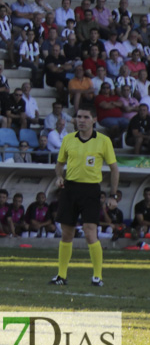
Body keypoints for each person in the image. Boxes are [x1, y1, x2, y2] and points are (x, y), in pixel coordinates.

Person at [50, 107, 118, 287]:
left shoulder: (103, 141)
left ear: (94, 119)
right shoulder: (68, 139)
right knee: (67, 234)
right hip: (70, 189)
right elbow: (59, 165)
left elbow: (114, 169)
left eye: (86, 117)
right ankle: (61, 276)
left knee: (90, 232)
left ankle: (97, 276)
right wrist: (59, 177)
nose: (81, 120)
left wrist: (113, 195)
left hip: (91, 191)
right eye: (79, 117)